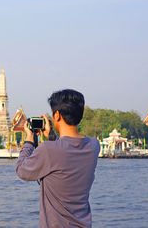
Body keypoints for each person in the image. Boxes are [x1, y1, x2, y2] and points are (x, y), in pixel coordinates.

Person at [16, 89, 100, 228]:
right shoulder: (93, 146)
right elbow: (67, 152)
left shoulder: (49, 149)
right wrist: (52, 137)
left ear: (57, 115)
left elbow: (21, 170)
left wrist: (29, 140)